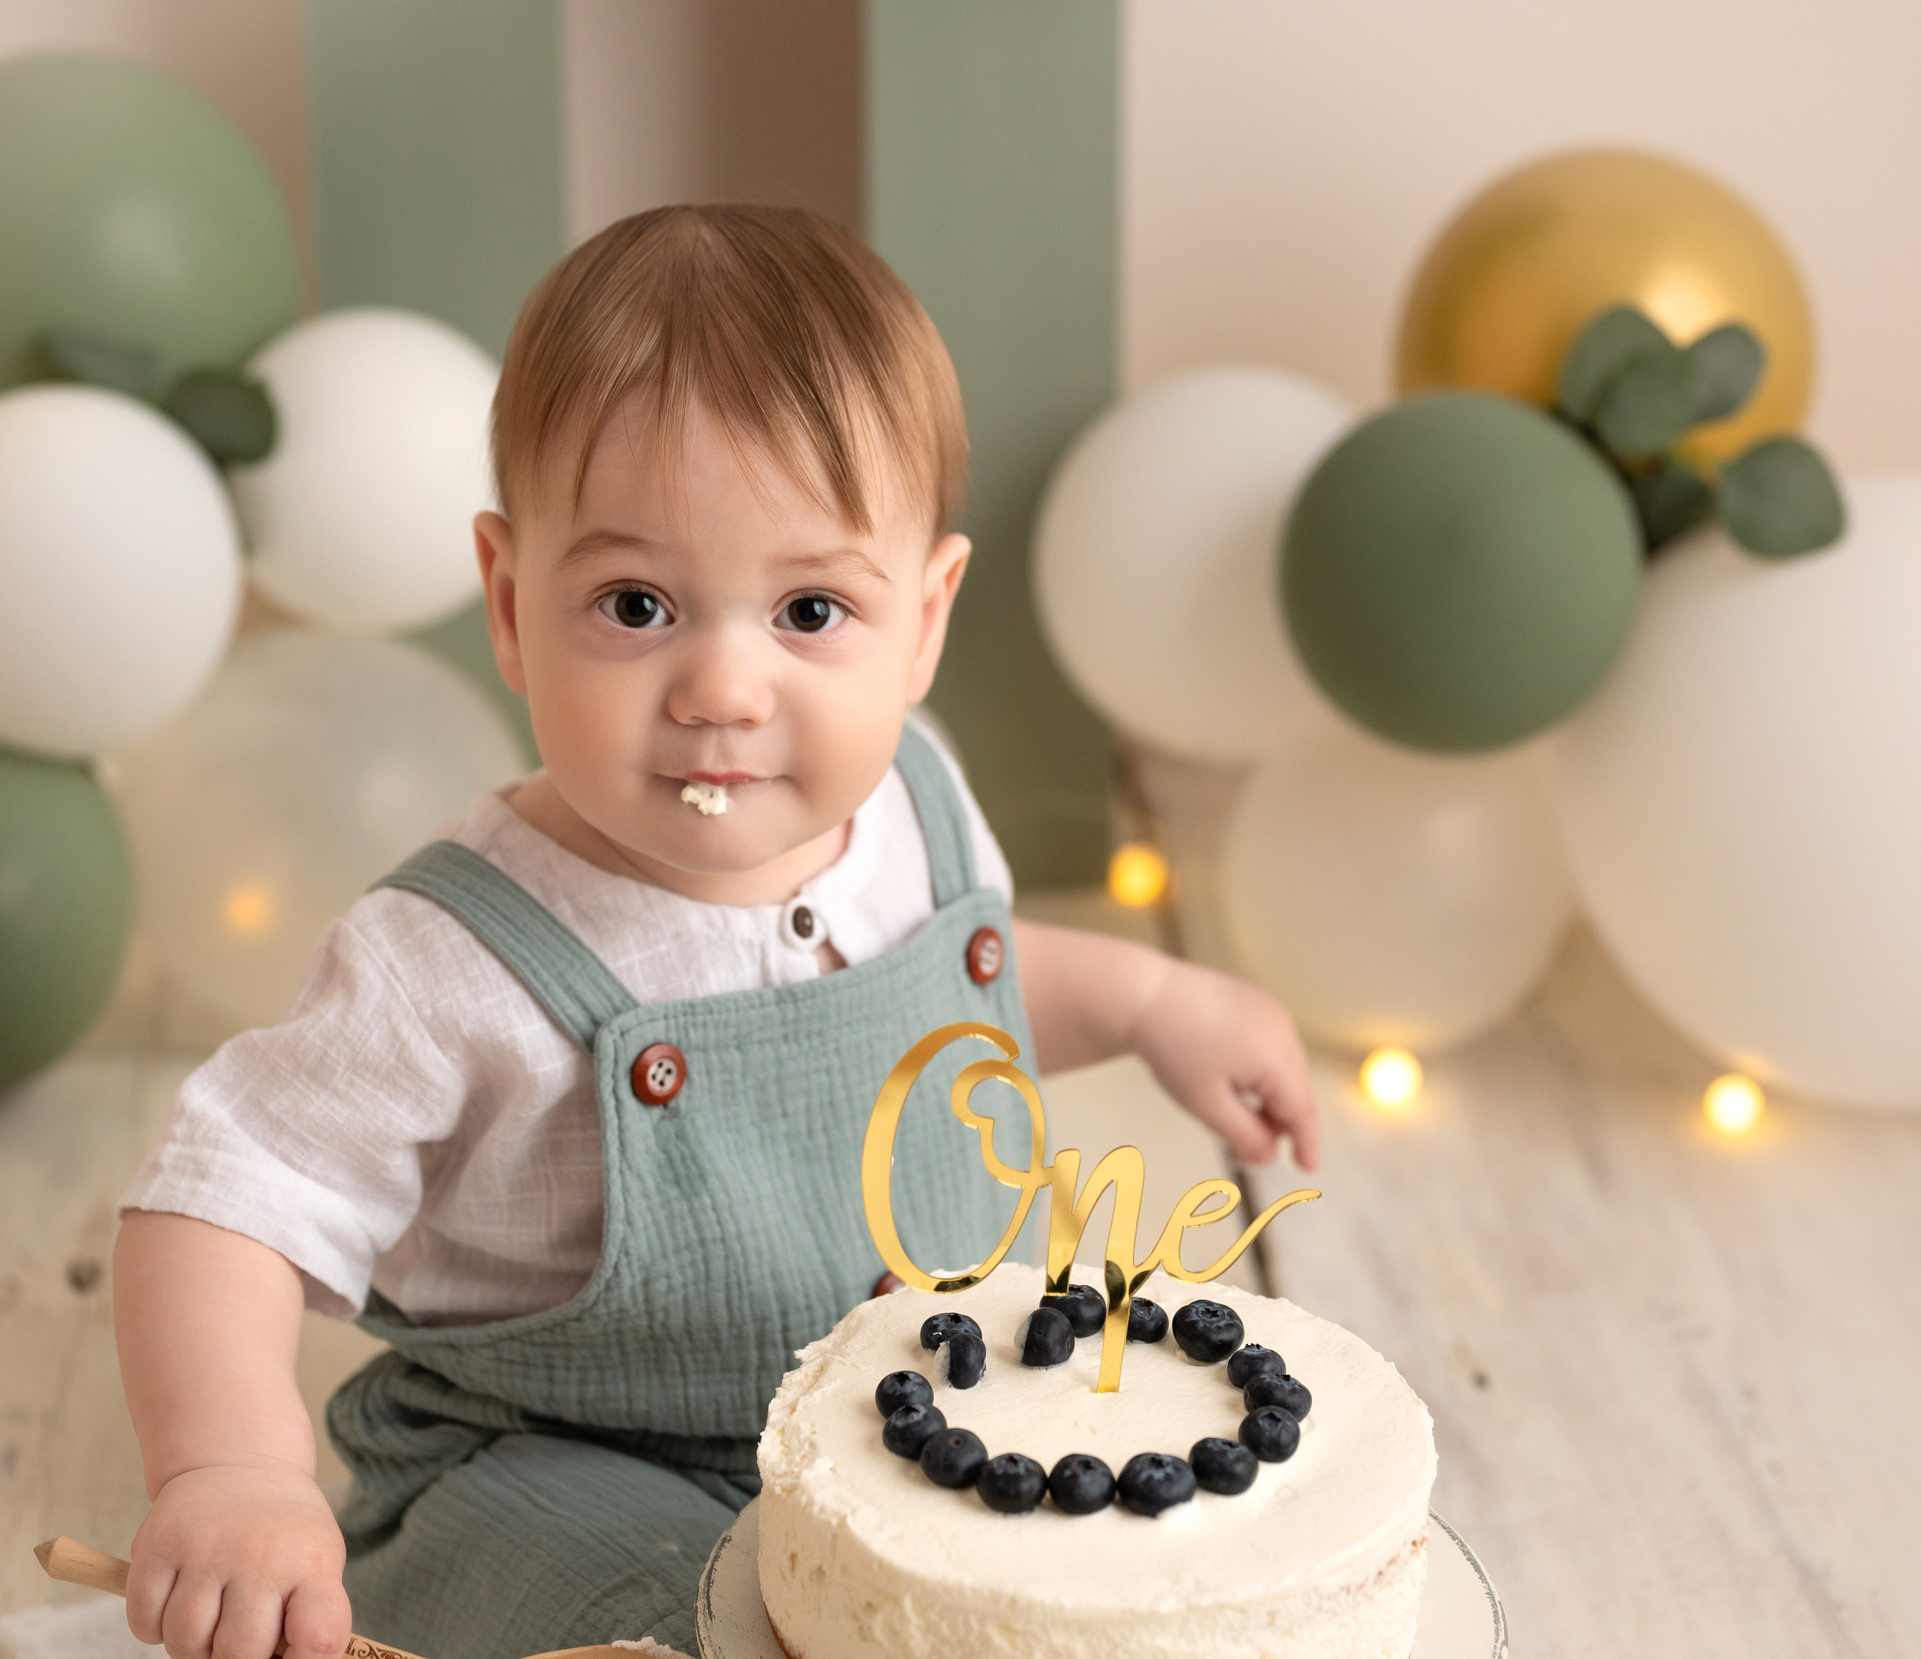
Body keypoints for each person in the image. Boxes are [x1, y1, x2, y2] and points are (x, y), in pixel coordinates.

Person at [113, 205, 1318, 1659]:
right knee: (714, 1627)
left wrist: (1145, 1002)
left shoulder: (918, 803)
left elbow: (957, 1011)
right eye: (636, 604)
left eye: (811, 608)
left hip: (905, 1446)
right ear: (510, 602)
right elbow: (225, 1201)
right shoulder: (455, 957)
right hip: (555, 1469)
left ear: (925, 618)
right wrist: (231, 1470)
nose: (723, 688)